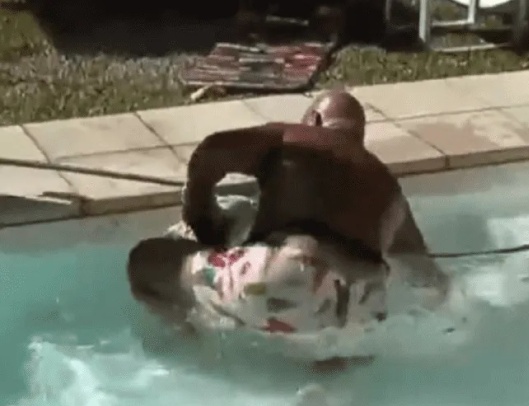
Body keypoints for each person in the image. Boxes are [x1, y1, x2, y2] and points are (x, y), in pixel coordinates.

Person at [182, 90, 450, 304]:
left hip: (287, 276)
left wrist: (200, 213)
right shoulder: (388, 187)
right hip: (358, 304)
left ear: (314, 119)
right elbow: (423, 268)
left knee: (163, 262)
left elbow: (211, 150)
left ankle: (190, 337)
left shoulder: (293, 136)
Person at [128, 195, 389, 372]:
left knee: (313, 324)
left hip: (264, 311)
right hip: (276, 268)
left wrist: (187, 335)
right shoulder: (199, 257)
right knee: (304, 244)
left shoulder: (192, 306)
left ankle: (335, 362)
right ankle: (369, 273)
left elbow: (191, 330)